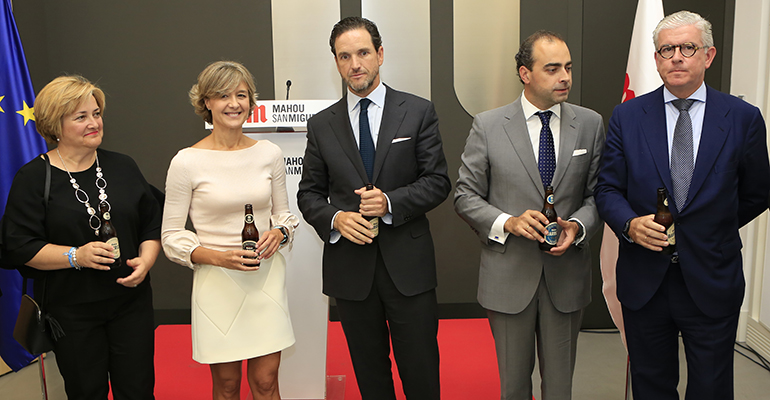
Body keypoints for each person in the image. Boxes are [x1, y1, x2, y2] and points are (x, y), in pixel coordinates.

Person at [595, 11, 770, 399]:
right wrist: (629, 225)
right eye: (666, 49)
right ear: (656, 59)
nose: (676, 57)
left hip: (711, 276)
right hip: (645, 279)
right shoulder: (627, 117)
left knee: (711, 387)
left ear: (708, 56)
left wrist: (711, 228)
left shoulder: (743, 119)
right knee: (651, 385)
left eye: (687, 48)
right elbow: (606, 188)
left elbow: (758, 193)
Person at [297, 16, 450, 400]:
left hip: (409, 269)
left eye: (363, 53)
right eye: (344, 56)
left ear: (380, 54)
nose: (355, 64)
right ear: (336, 62)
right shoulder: (320, 125)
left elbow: (438, 182)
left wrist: (389, 203)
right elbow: (309, 194)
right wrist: (336, 218)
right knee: (370, 377)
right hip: (351, 272)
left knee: (421, 374)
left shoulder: (417, 111)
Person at [454, 30, 605, 400]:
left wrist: (578, 226)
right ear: (525, 73)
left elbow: (598, 195)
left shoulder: (590, 123)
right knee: (514, 388)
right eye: (552, 69)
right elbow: (464, 195)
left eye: (568, 67)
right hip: (508, 279)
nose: (565, 77)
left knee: (559, 388)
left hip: (566, 278)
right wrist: (508, 221)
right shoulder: (488, 126)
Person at [1, 75, 161, 399]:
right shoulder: (33, 178)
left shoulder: (122, 166)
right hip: (71, 312)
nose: (94, 123)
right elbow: (19, 246)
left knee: (139, 391)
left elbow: (152, 222)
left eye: (97, 113)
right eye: (81, 117)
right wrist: (76, 256)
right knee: (86, 392)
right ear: (54, 124)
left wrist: (147, 260)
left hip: (131, 305)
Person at [162, 61, 299, 400]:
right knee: (226, 386)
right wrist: (218, 257)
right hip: (216, 282)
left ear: (252, 102)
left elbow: (285, 216)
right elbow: (171, 236)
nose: (234, 104)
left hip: (265, 279)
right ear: (206, 102)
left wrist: (279, 234)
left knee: (267, 383)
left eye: (242, 95)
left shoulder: (269, 153)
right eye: (223, 95)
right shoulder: (186, 161)